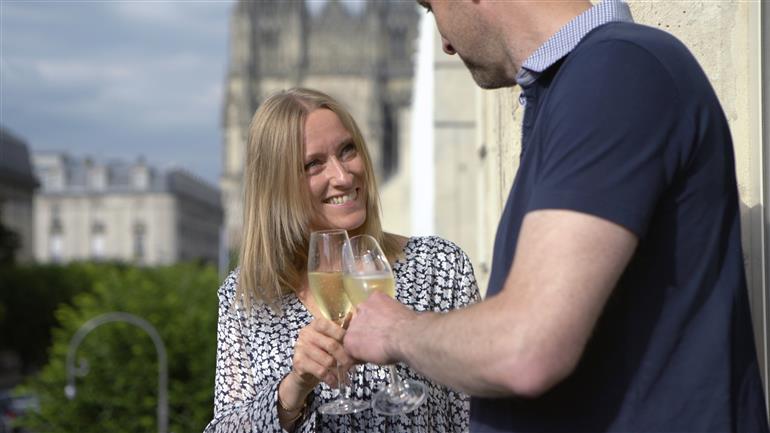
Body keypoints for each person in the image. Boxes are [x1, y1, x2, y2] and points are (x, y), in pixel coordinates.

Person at [344, 1, 770, 432]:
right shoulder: (583, 81)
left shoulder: (615, 71)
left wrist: (395, 330)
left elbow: (525, 349)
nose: (446, 44)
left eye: (433, 8)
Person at [202, 87, 480, 433]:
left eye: (347, 150)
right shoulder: (246, 297)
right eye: (314, 164)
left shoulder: (439, 268)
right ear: (276, 185)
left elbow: (480, 413)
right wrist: (292, 391)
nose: (344, 176)